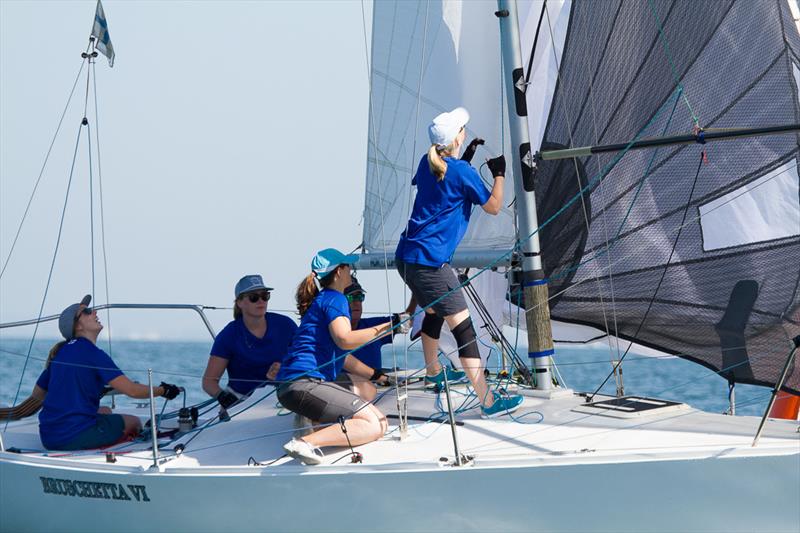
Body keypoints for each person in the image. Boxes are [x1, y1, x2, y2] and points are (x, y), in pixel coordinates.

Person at [394, 106, 524, 418]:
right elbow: (493, 206)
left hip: (407, 258)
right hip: (430, 265)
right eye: (463, 129)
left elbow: (448, 182)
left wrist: (467, 155)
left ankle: (433, 371)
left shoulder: (429, 164)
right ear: (457, 137)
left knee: (436, 311)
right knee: (464, 330)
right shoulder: (460, 173)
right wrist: (500, 173)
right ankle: (488, 401)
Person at [275, 248, 407, 465]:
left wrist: (377, 375)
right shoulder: (336, 299)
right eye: (348, 267)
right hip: (305, 385)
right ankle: (305, 443)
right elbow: (344, 339)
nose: (351, 271)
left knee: (372, 399)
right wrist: (391, 326)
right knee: (374, 424)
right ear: (338, 272)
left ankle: (310, 419)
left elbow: (341, 355)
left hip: (292, 386)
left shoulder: (323, 299)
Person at [34, 295, 181, 450]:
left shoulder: (60, 353)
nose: (95, 312)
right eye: (88, 311)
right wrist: (164, 390)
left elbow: (38, 394)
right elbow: (132, 391)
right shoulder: (92, 353)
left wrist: (82, 391)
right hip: (72, 437)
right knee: (134, 422)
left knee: (106, 410)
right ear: (78, 326)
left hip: (49, 436)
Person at [202, 275, 298, 409]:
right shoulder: (229, 335)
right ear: (239, 302)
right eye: (254, 297)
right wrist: (224, 397)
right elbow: (208, 382)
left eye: (265, 296)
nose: (261, 301)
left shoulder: (286, 325)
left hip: (281, 395)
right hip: (241, 400)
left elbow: (306, 359)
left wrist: (285, 369)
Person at [336, 277, 413, 402]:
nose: (357, 302)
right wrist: (382, 378)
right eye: (351, 297)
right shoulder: (331, 333)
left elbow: (407, 321)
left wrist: (416, 294)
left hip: (375, 390)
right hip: (346, 392)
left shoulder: (373, 325)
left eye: (359, 297)